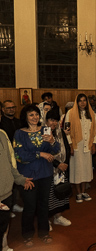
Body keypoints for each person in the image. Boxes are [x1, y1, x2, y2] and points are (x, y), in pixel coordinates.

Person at [13, 104, 60, 246]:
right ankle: (27, 234)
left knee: (43, 205)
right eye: (31, 115)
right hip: (29, 175)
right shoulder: (19, 133)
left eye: (36, 114)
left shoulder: (45, 130)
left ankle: (44, 233)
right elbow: (19, 156)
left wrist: (52, 141)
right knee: (29, 206)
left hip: (45, 173)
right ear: (25, 117)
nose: (35, 117)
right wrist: (41, 154)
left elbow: (56, 149)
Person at [0, 129, 34, 251]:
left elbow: (10, 163)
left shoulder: (2, 134)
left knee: (3, 227)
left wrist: (20, 179)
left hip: (6, 192)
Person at [65, 94, 96, 203]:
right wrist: (70, 145)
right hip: (76, 145)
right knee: (77, 170)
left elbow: (94, 130)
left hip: (87, 145)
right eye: (80, 101)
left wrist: (94, 144)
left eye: (84, 100)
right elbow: (67, 131)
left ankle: (84, 192)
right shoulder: (70, 113)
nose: (82, 103)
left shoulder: (91, 113)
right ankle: (78, 193)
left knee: (86, 170)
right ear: (76, 102)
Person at [45, 108, 72, 228]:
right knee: (48, 195)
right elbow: (44, 153)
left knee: (61, 192)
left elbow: (66, 148)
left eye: (56, 120)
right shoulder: (43, 133)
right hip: (47, 169)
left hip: (61, 169)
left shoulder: (60, 131)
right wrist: (57, 164)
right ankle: (45, 219)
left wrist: (65, 163)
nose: (53, 123)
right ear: (46, 121)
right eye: (51, 120)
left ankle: (58, 217)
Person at [0, 100, 24, 217]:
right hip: (6, 156)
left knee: (17, 179)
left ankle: (14, 203)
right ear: (3, 110)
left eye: (13, 107)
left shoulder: (18, 122)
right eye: (8, 108)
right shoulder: (1, 124)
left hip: (19, 155)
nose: (11, 110)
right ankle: (8, 206)